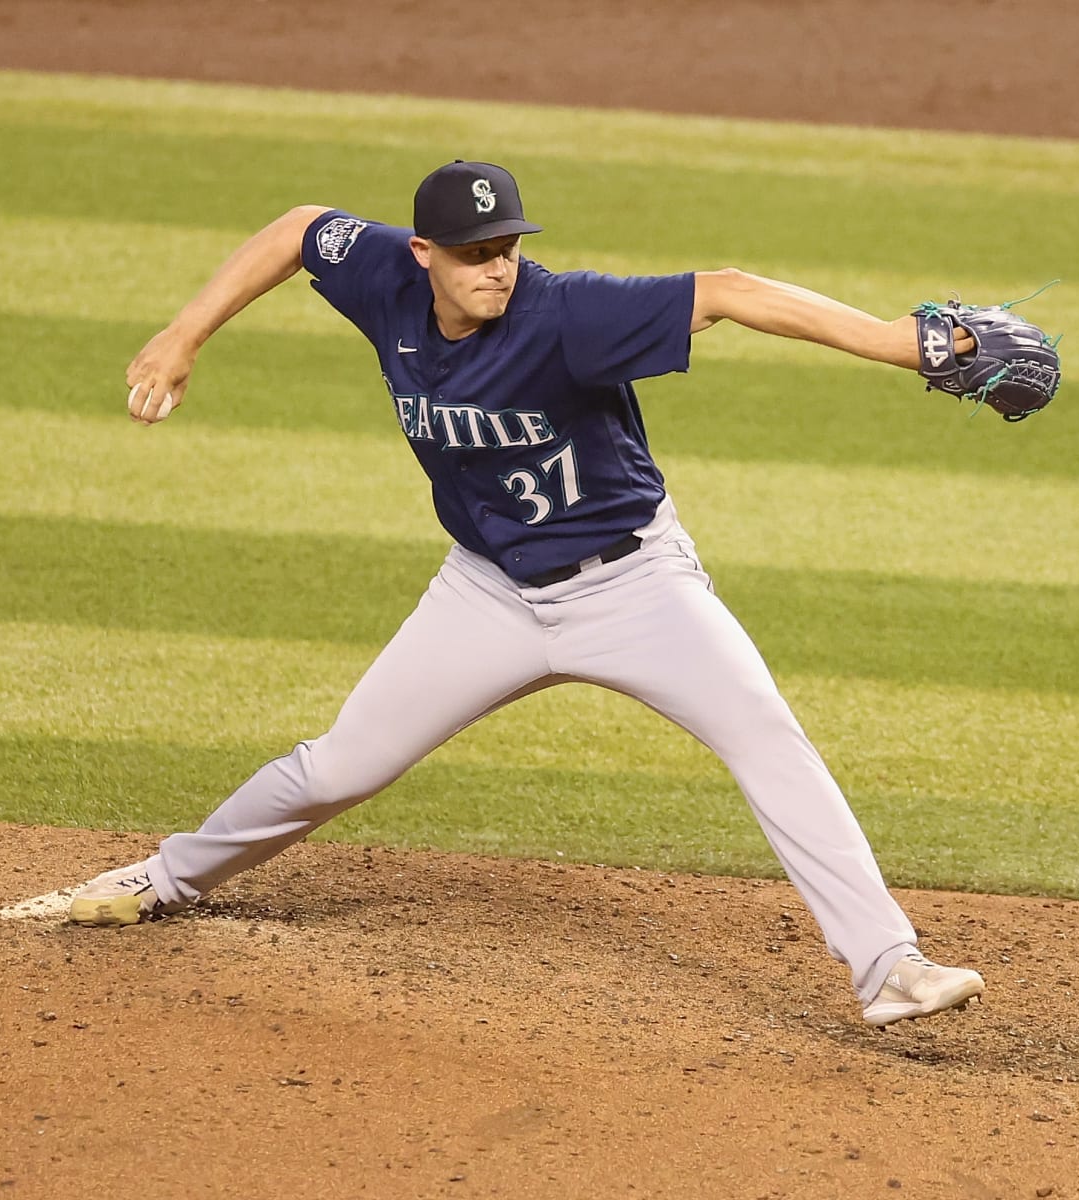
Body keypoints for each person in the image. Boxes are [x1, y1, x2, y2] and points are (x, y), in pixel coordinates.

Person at [72, 160, 985, 1027]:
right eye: (473, 252)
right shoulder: (386, 278)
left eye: (505, 246)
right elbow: (301, 228)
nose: (496, 268)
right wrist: (183, 333)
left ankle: (890, 967)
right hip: (485, 596)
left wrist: (894, 343)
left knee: (763, 733)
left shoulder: (567, 313)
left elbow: (728, 289)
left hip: (635, 588)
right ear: (423, 253)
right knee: (343, 767)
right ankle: (163, 879)